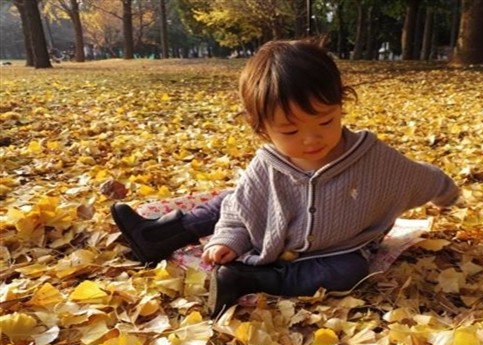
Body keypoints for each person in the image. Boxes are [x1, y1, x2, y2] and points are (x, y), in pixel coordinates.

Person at [111, 39, 460, 317]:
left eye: (325, 122)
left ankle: (253, 280)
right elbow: (240, 210)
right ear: (262, 129)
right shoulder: (267, 163)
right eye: (290, 131)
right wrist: (228, 241)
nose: (312, 140)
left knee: (350, 271)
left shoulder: (371, 158)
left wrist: (445, 192)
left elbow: (416, 177)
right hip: (272, 228)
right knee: (229, 199)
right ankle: (157, 235)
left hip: (335, 247)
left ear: (342, 104)